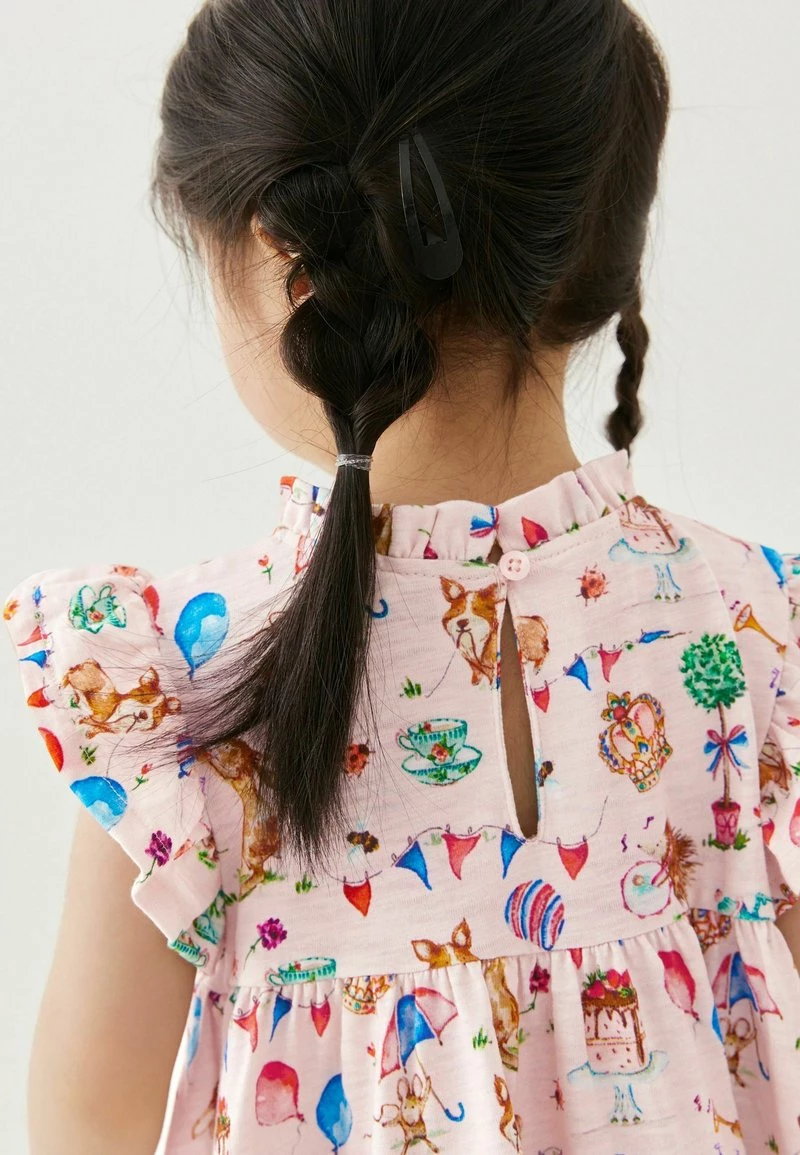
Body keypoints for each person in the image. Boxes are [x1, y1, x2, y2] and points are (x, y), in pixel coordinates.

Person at [4, 1, 798, 1152]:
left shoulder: (173, 686)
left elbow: (88, 1127)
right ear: (593, 244)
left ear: (283, 256)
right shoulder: (763, 635)